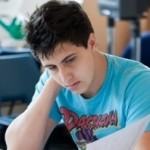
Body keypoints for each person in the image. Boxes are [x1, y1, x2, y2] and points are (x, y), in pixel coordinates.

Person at [5, 1, 150, 150]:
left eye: (69, 60)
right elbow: (18, 147)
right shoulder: (54, 80)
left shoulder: (140, 83)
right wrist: (52, 85)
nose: (65, 77)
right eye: (52, 67)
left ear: (92, 42)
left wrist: (56, 71)